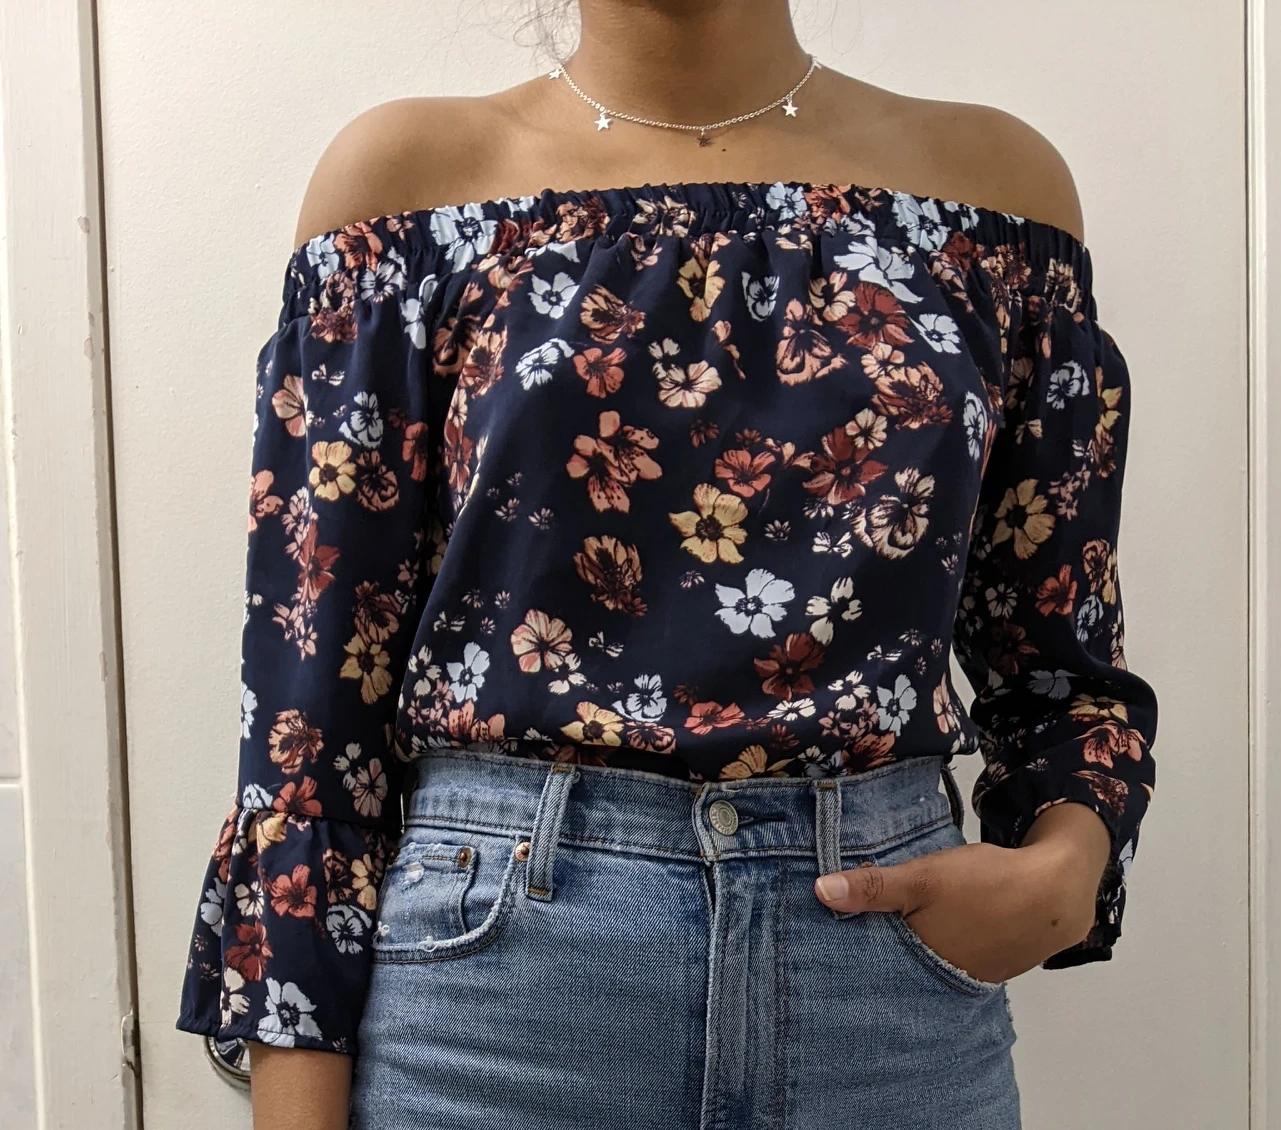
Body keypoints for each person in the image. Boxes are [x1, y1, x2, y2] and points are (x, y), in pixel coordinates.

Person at [176, 2, 1159, 1126]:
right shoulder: (407, 188)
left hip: (885, 996)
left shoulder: (994, 197)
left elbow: (1061, 660)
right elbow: (309, 734)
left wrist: (1065, 862)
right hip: (495, 1009)